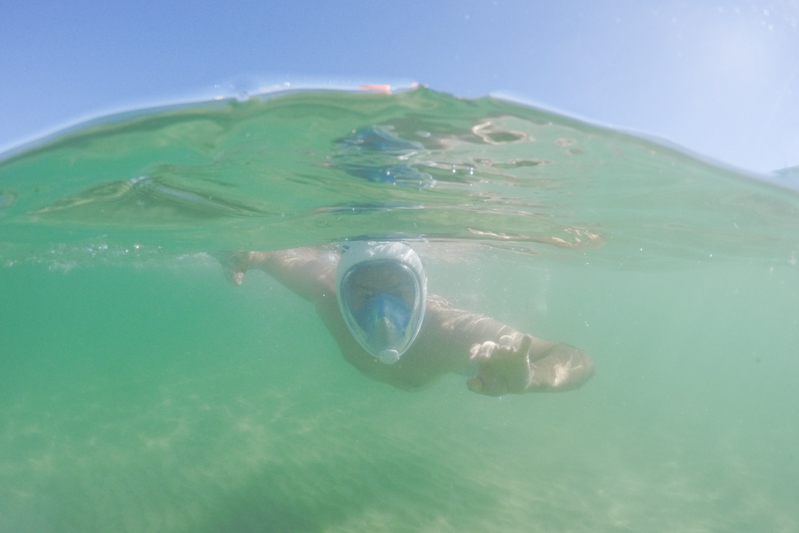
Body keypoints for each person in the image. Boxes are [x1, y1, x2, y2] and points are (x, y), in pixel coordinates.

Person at [222, 242, 594, 396]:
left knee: (495, 350)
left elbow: (579, 360)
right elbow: (264, 256)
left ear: (422, 291)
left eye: (399, 290)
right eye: (364, 292)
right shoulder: (324, 289)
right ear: (341, 287)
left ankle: (530, 310)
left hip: (466, 358)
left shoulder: (453, 330)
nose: (383, 313)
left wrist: (533, 377)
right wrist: (241, 256)